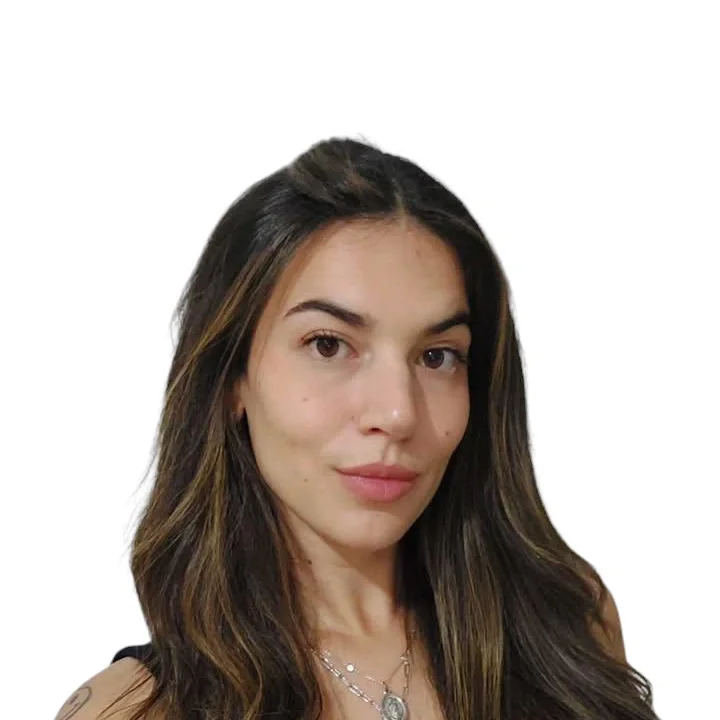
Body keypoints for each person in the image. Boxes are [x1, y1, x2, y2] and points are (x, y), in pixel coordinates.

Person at [54, 137, 659, 720]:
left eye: (437, 356)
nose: (397, 414)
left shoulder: (567, 630)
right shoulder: (136, 709)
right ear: (231, 377)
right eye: (328, 345)